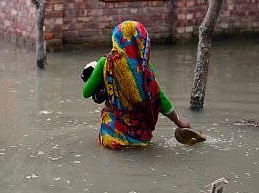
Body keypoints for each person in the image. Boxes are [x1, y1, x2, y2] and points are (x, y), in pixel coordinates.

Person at [82, 20, 192, 150]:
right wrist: (178, 121)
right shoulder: (146, 70)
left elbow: (86, 92)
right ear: (142, 43)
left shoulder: (105, 64)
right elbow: (160, 99)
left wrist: (99, 77)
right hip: (140, 139)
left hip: (112, 138)